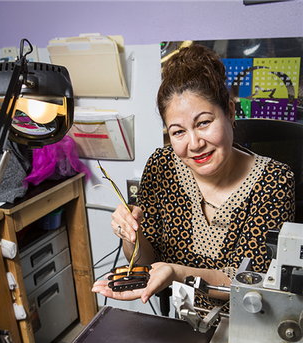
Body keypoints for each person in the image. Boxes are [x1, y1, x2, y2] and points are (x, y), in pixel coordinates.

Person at [92, 43, 295, 314]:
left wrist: (177, 272)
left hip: (248, 324)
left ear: (230, 113)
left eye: (203, 123)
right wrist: (131, 234)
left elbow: (251, 285)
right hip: (184, 323)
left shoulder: (274, 181)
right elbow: (146, 261)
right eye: (178, 132)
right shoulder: (162, 166)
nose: (195, 143)